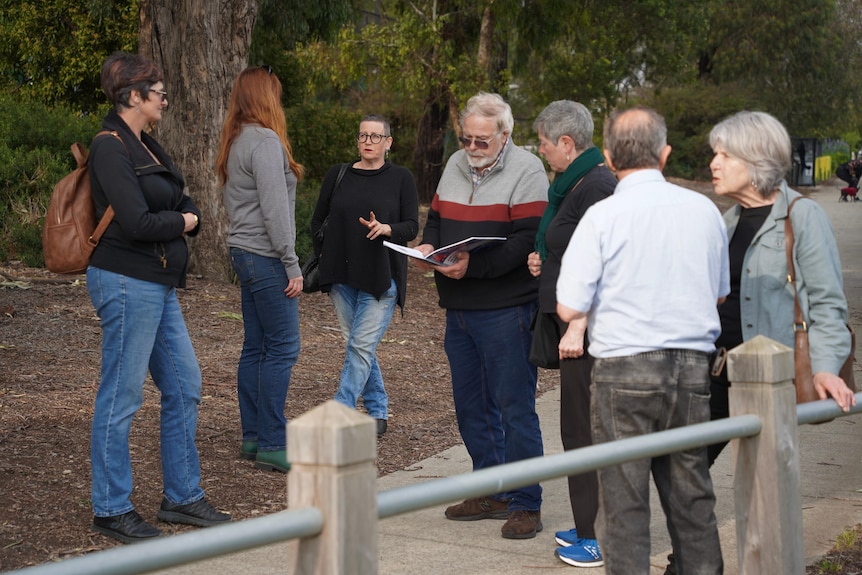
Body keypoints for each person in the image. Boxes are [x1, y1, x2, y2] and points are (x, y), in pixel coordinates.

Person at [556, 107, 727, 575]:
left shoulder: (601, 217)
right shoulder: (705, 211)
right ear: (665, 153)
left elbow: (569, 308)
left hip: (622, 371)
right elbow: (719, 293)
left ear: (608, 157)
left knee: (624, 503)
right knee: (692, 499)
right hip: (692, 368)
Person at [86, 51, 230, 544]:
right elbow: (138, 222)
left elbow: (182, 197)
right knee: (121, 395)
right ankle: (110, 507)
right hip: (125, 282)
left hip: (158, 283)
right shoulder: (110, 147)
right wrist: (185, 223)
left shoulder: (147, 144)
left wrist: (186, 216)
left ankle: (182, 497)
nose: (165, 99)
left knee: (185, 385)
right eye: (159, 92)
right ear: (133, 95)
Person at [414, 92, 549, 540]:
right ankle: (493, 489)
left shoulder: (528, 169)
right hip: (459, 307)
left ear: (505, 136)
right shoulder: (455, 164)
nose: (471, 148)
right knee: (472, 407)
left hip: (507, 307)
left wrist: (475, 266)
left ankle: (526, 501)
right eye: (466, 139)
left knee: (514, 408)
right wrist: (428, 247)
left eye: (481, 142)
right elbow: (435, 218)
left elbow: (527, 240)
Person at [706, 110, 857, 461]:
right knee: (682, 467)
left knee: (767, 485)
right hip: (717, 373)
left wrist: (825, 368)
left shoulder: (802, 216)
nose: (714, 164)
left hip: (769, 381)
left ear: (757, 159)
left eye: (725, 155)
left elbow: (827, 303)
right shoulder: (725, 222)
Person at [526, 100, 614, 567]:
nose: (541, 153)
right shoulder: (573, 182)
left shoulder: (597, 184)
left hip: (589, 329)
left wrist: (578, 323)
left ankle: (597, 536)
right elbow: (569, 244)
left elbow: (604, 260)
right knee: (576, 427)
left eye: (543, 144)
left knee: (584, 430)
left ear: (566, 142)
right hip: (572, 324)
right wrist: (545, 258)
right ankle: (588, 524)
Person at [216, 65, 305, 474]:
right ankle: (272, 441)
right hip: (266, 256)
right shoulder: (265, 141)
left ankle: (253, 437)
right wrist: (292, 263)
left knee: (256, 346)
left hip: (243, 252)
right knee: (283, 347)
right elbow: (274, 212)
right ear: (267, 98)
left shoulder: (237, 140)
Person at [311, 115, 419, 436]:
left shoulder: (401, 178)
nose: (368, 142)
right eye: (363, 136)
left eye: (375, 136)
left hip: (381, 278)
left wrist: (387, 228)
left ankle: (340, 412)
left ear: (388, 142)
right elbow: (318, 221)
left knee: (359, 346)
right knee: (359, 346)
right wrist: (325, 252)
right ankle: (377, 410)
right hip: (341, 276)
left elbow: (412, 226)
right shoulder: (338, 174)